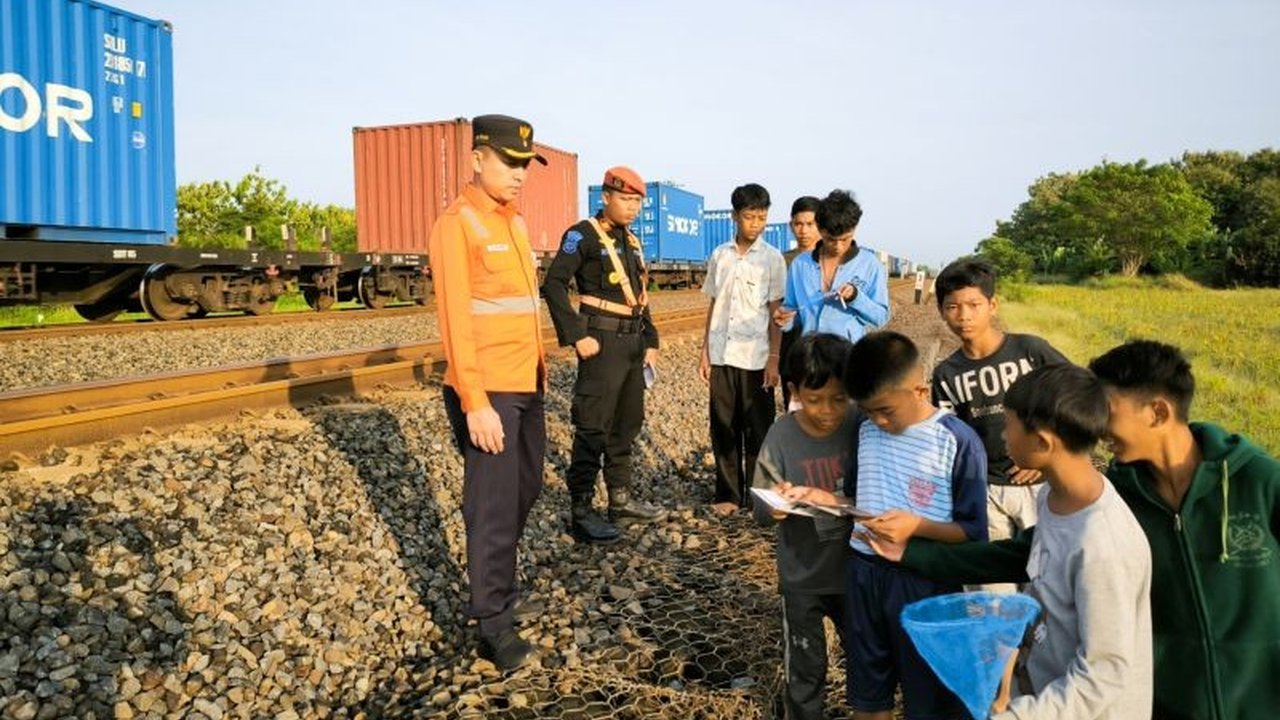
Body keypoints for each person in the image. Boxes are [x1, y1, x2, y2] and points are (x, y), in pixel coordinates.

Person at [887, 340, 1280, 720]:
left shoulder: (1257, 480)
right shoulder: (1120, 492)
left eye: (1104, 408)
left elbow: (1101, 671)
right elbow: (1027, 553)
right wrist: (917, 553)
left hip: (1259, 702)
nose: (1093, 421)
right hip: (1164, 702)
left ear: (1157, 413)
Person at [884, 364, 1154, 718]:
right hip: (1043, 696)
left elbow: (1101, 677)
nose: (1002, 437)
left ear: (1042, 442)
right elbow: (1017, 557)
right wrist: (911, 552)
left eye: (1009, 425)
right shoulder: (1053, 498)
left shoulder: (1101, 545)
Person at [781, 331, 987, 720]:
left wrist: (916, 527)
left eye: (886, 411)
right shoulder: (868, 431)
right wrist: (829, 501)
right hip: (863, 575)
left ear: (920, 389)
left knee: (927, 697)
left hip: (923, 580)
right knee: (867, 694)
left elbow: (971, 532)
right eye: (868, 410)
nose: (877, 420)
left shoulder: (956, 441)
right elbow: (865, 500)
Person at [428, 114, 548, 672]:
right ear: (477, 158)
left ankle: (497, 586)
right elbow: (455, 318)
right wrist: (474, 401)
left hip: (528, 380)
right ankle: (493, 622)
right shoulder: (458, 224)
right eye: (509, 162)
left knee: (525, 490)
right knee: (493, 507)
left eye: (525, 164)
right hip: (491, 390)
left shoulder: (515, 223)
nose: (520, 174)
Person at [542, 166, 663, 544]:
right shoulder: (581, 236)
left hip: (632, 345)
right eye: (625, 199)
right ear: (606, 197)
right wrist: (576, 335)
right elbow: (554, 285)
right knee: (593, 425)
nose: (632, 208)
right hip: (601, 343)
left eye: (637, 202)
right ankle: (580, 511)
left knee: (626, 424)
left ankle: (620, 502)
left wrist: (652, 339)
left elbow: (640, 298)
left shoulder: (632, 241)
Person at [930, 258, 1067, 593]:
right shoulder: (947, 374)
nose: (964, 316)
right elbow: (949, 438)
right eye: (953, 307)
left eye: (974, 305)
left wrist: (1050, 460)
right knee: (992, 592)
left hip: (1039, 486)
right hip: (984, 488)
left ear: (993, 305)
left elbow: (1077, 395)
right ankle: (1001, 646)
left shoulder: (1030, 351)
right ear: (941, 311)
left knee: (1046, 584)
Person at [751, 333, 856, 720]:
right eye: (814, 400)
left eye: (840, 398)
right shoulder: (782, 435)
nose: (828, 410)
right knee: (805, 667)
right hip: (802, 579)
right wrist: (776, 507)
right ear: (794, 391)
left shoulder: (860, 425)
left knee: (865, 658)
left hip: (856, 575)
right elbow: (761, 507)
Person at [699, 183, 788, 516]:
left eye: (762, 217)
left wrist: (774, 359)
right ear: (735, 216)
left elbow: (776, 313)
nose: (756, 224)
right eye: (750, 217)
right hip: (721, 354)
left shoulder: (772, 260)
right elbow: (714, 305)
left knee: (758, 429)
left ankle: (759, 496)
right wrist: (704, 350)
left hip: (756, 357)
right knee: (723, 426)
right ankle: (728, 495)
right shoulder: (720, 256)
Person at [775, 189, 890, 345]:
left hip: (848, 357)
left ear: (854, 229)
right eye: (830, 239)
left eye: (845, 239)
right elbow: (793, 311)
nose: (838, 246)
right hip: (810, 357)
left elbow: (881, 317)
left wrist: (856, 297)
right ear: (820, 229)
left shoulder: (870, 265)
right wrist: (784, 319)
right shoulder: (800, 265)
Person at [779, 196, 821, 411]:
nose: (803, 230)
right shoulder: (782, 261)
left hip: (824, 355)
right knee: (795, 415)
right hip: (790, 351)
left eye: (810, 224)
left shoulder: (830, 259)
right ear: (791, 225)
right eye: (798, 224)